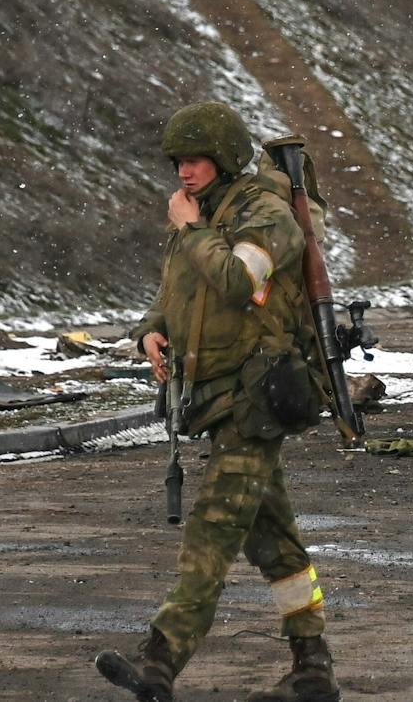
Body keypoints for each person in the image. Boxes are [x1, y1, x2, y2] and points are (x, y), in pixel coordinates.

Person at [95, 102, 340, 702]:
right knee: (276, 545)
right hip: (216, 398)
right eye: (178, 161)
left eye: (196, 159)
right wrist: (150, 331)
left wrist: (191, 230)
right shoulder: (201, 217)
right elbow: (176, 294)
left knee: (211, 531)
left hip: (255, 400)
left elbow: (236, 280)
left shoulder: (266, 214)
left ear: (226, 158)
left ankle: (159, 661)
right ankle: (312, 668)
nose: (184, 171)